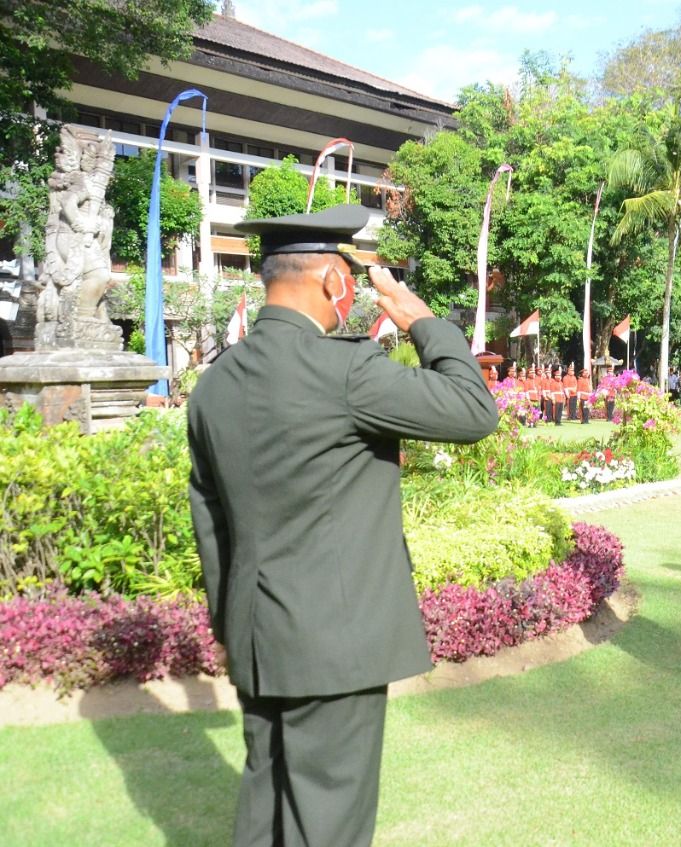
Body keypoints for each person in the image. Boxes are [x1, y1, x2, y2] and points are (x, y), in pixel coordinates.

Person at [186, 205, 499, 846]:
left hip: (255, 637)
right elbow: (474, 411)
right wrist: (420, 320)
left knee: (265, 806)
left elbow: (210, 521)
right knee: (327, 825)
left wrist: (229, 625)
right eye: (350, 284)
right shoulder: (346, 372)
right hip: (333, 647)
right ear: (334, 280)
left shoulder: (214, 384)